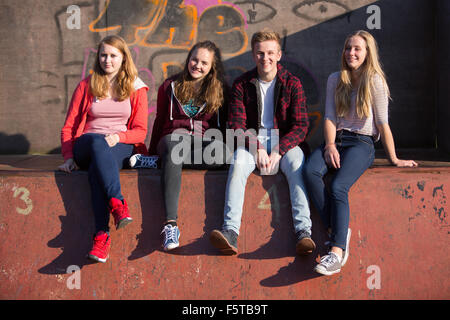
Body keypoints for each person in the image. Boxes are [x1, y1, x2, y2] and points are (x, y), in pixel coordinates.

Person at [304, 30, 418, 276]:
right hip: (337, 141)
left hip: (361, 144)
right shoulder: (336, 79)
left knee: (337, 187)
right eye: (348, 48)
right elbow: (330, 118)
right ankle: (339, 231)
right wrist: (330, 145)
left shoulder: (375, 80)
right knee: (311, 171)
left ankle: (336, 252)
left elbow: (383, 124)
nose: (351, 53)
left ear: (368, 54)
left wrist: (394, 159)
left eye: (357, 49)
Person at [209, 29, 315, 256]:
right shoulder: (242, 84)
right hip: (251, 142)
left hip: (284, 143)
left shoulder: (292, 83)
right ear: (253, 55)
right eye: (259, 53)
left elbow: (301, 126)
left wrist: (279, 149)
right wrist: (256, 147)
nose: (264, 58)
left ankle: (303, 231)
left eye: (269, 53)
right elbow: (236, 125)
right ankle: (230, 231)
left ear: (279, 55)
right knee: (237, 163)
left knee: (297, 165)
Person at [130, 40, 229, 251]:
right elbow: (159, 120)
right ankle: (171, 225)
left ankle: (160, 163)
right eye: (194, 59)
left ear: (212, 66)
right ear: (188, 59)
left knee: (225, 156)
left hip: (203, 143)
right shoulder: (170, 85)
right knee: (174, 150)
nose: (197, 65)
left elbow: (221, 127)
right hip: (173, 139)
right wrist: (152, 148)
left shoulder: (220, 90)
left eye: (204, 62)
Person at [58, 35, 149, 263]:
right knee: (98, 142)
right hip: (87, 145)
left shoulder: (136, 87)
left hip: (119, 145)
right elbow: (69, 125)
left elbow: (140, 131)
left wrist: (118, 136)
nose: (107, 60)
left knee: (98, 170)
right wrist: (69, 157)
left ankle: (101, 237)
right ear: (98, 57)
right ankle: (117, 203)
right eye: (103, 55)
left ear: (123, 58)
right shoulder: (87, 85)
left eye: (113, 56)